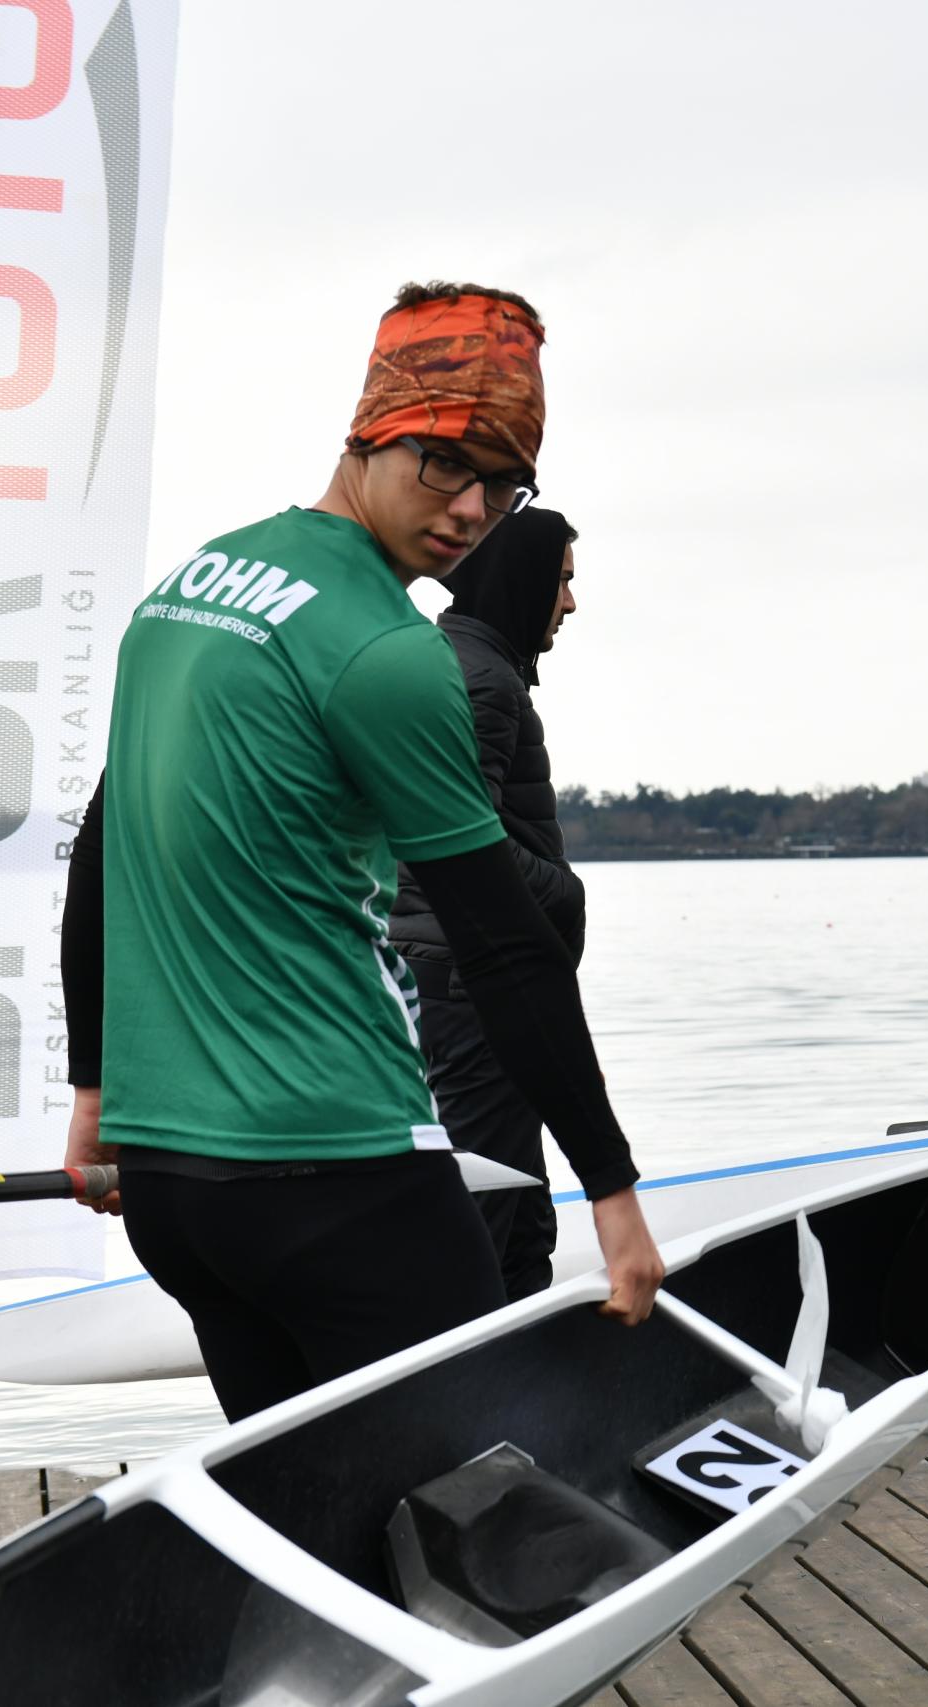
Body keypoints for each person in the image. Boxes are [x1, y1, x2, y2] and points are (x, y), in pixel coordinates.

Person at [62, 282, 662, 1422]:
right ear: (369, 433)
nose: (472, 507)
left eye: (503, 481)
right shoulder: (385, 652)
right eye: (445, 463)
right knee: (484, 1493)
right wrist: (613, 1189)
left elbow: (103, 853)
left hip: (178, 1193)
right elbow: (505, 945)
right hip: (331, 1168)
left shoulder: (188, 591)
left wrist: (97, 1088)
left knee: (318, 1515)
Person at [390, 506, 585, 1298]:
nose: (570, 604)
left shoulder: (468, 662)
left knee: (522, 1219)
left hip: (470, 980)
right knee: (488, 1217)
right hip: (472, 987)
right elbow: (445, 844)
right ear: (522, 580)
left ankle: (521, 1396)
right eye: (563, 583)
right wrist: (563, 893)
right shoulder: (480, 677)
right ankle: (460, 1401)